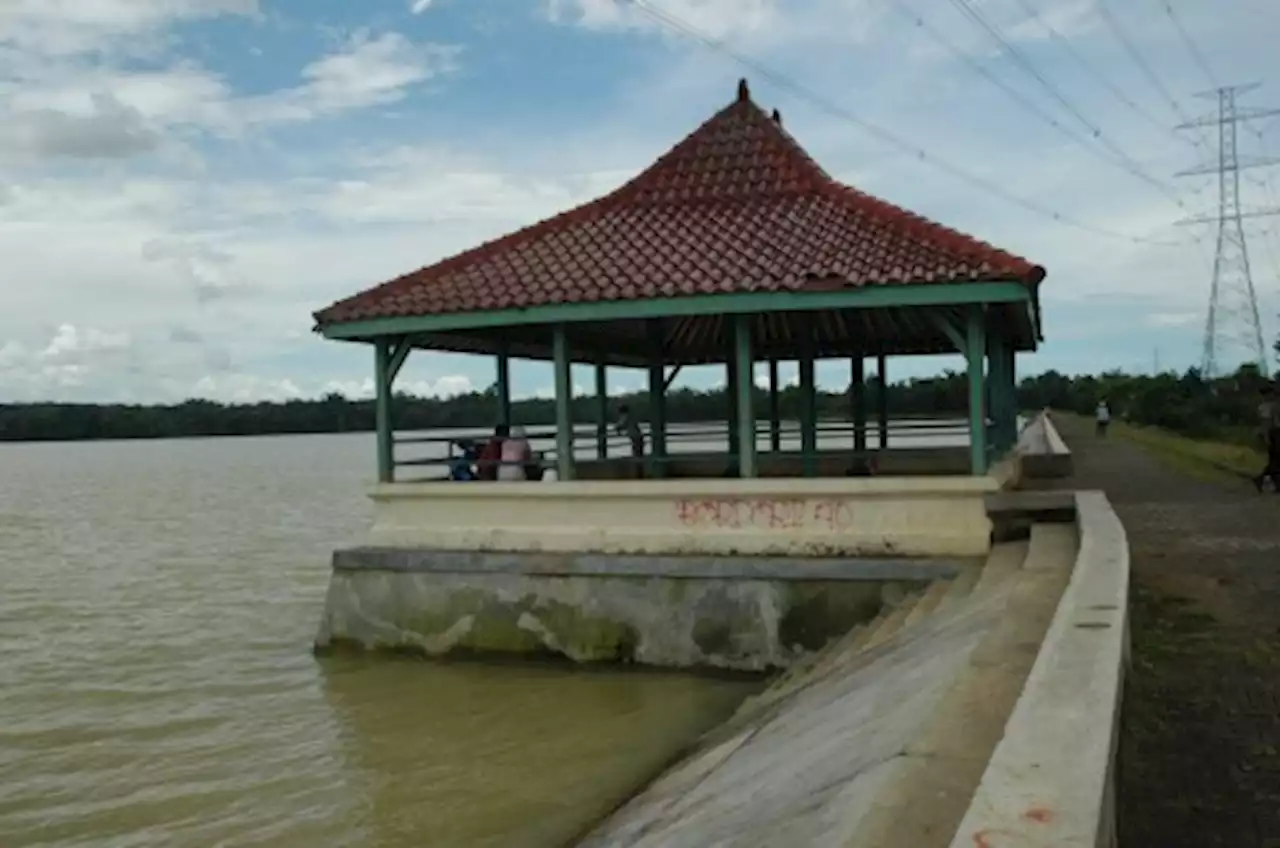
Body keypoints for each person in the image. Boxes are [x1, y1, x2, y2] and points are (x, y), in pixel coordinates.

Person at [1252, 385, 1280, 493]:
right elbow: (1266, 424)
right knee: (1276, 461)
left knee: (1275, 461)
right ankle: (1275, 483)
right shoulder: (1265, 407)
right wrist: (1266, 437)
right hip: (1274, 433)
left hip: (1276, 433)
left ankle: (1261, 480)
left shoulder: (1272, 405)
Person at [615, 404, 645, 479]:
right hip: (638, 437)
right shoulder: (631, 416)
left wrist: (617, 430)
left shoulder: (626, 416)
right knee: (638, 455)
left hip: (636, 438)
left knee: (637, 455)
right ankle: (639, 473)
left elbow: (620, 425)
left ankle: (639, 474)